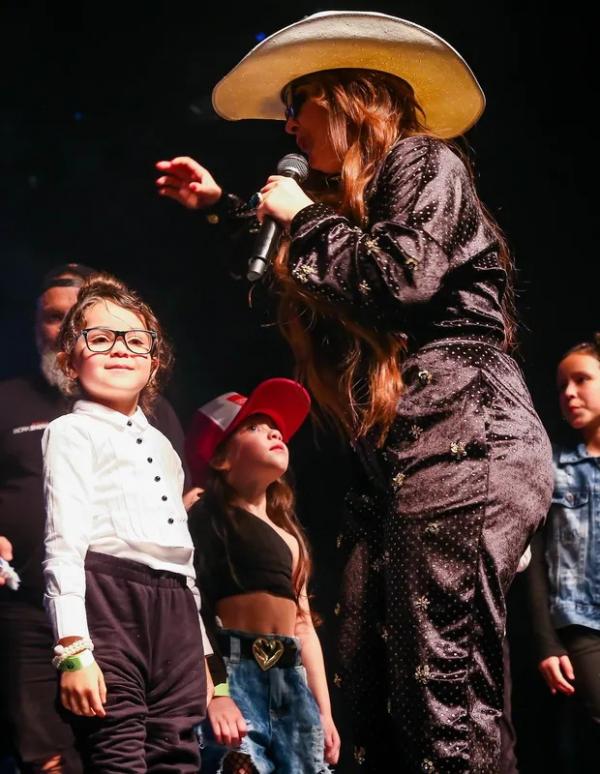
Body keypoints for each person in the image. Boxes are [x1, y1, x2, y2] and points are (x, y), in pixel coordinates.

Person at [155, 11, 554, 771]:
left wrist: (301, 215)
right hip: (409, 457)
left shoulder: (425, 160)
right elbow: (336, 267)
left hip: (468, 435)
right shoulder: (357, 207)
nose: (286, 125)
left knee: (441, 681)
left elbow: (398, 275)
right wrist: (225, 211)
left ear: (345, 100)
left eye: (295, 103)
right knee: (372, 678)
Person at [0, 263, 195, 774]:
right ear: (69, 357)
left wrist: (209, 660)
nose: (120, 349)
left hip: (174, 609)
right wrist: (72, 651)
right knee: (114, 748)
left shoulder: (162, 441)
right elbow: (64, 542)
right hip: (102, 598)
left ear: (156, 360)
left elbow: (183, 553)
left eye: (136, 340)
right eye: (100, 337)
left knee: (177, 751)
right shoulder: (65, 429)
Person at [186, 378, 340, 773]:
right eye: (253, 427)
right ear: (221, 458)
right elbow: (194, 611)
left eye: (276, 427)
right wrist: (215, 693)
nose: (274, 431)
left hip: (290, 676)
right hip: (236, 673)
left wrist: (325, 711)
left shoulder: (290, 537)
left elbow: (304, 626)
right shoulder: (207, 517)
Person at [527, 337, 600, 766]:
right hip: (581, 623)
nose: (568, 393)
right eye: (561, 386)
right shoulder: (550, 468)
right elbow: (532, 561)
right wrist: (546, 642)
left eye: (581, 380)